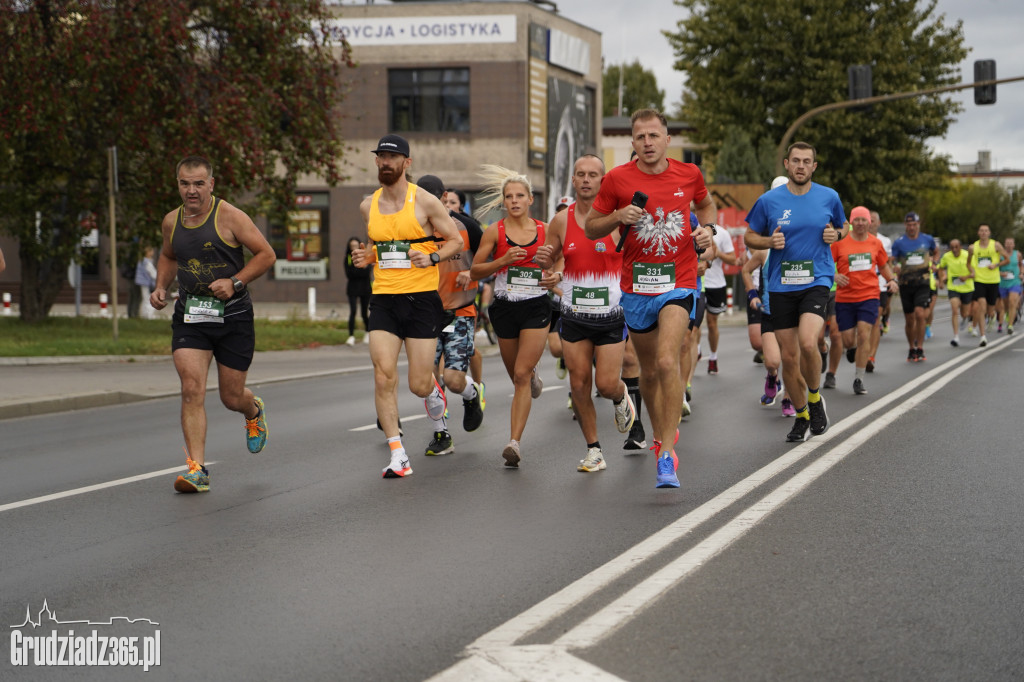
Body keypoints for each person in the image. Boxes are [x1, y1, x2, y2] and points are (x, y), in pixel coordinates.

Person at [585, 108, 715, 489]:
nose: (647, 143)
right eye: (640, 137)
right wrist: (617, 216)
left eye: (654, 136)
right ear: (632, 142)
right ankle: (661, 437)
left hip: (680, 279)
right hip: (637, 287)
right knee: (648, 372)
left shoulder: (689, 174)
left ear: (667, 139)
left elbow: (706, 206)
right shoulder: (617, 179)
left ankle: (666, 455)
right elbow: (592, 225)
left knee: (665, 359)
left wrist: (707, 229)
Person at [150, 155, 276, 493]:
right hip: (191, 315)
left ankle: (252, 411)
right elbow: (169, 255)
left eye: (198, 183)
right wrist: (161, 285)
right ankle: (196, 469)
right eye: (184, 183)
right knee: (191, 389)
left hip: (233, 316)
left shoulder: (231, 217)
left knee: (231, 397)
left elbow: (266, 254)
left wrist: (235, 281)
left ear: (211, 184)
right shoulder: (171, 221)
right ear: (178, 184)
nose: (191, 190)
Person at [350, 134, 464, 479]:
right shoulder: (367, 205)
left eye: (392, 157)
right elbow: (379, 247)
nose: (385, 162)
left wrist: (431, 255)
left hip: (421, 301)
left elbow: (455, 240)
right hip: (383, 298)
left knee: (418, 383)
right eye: (381, 157)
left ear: (406, 163)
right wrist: (365, 256)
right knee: (383, 375)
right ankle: (398, 453)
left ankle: (432, 391)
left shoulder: (425, 202)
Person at [535, 154, 635, 473]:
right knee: (579, 385)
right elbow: (549, 261)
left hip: (610, 314)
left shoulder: (617, 220)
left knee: (605, 385)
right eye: (581, 174)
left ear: (603, 181)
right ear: (574, 181)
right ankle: (594, 450)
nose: (587, 179)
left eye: (594, 174)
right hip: (574, 314)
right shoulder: (561, 221)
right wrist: (548, 270)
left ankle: (621, 397)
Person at [744, 142, 846, 443]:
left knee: (807, 342)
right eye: (796, 161)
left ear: (814, 166)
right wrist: (767, 243)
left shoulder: (829, 196)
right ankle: (801, 414)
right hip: (780, 285)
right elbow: (751, 235)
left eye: (807, 161)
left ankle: (814, 399)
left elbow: (844, 227)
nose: (801, 166)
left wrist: (836, 234)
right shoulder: (769, 201)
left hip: (817, 280)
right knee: (788, 358)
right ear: (787, 164)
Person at [469, 165, 556, 468]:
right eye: (509, 196)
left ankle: (514, 443)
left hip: (535, 305)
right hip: (504, 307)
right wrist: (502, 260)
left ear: (531, 199)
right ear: (504, 202)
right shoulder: (496, 231)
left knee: (519, 375)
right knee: (517, 375)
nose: (515, 200)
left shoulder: (546, 230)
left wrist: (553, 278)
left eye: (520, 195)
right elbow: (475, 270)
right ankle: (531, 376)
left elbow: (562, 267)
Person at [415, 174, 485, 456]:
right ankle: (441, 434)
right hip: (423, 312)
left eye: (432, 198)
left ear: (443, 198)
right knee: (425, 381)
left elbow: (488, 258)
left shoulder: (467, 227)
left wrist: (473, 271)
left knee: (453, 380)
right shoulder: (413, 229)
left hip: (460, 311)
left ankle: (471, 395)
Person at [830, 206, 898, 394]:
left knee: (863, 334)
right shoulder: (840, 243)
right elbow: (825, 263)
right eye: (857, 220)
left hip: (869, 295)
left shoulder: (876, 244)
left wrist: (891, 280)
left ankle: (858, 379)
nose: (860, 223)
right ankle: (851, 348)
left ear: (869, 222)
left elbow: (884, 266)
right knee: (848, 339)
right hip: (844, 298)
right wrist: (834, 276)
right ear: (851, 222)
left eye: (863, 220)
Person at [890, 212, 938, 361]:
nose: (911, 227)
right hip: (906, 283)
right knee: (910, 319)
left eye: (914, 224)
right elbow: (892, 260)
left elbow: (936, 252)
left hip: (923, 281)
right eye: (909, 225)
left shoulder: (927, 239)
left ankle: (921, 348)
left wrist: (935, 263)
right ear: (905, 225)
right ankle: (912, 348)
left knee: (920, 314)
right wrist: (895, 267)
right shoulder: (899, 243)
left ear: (918, 225)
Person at [702, 225, 738, 375]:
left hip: (716, 284)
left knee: (711, 324)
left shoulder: (722, 233)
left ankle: (713, 357)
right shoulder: (691, 226)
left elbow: (733, 259)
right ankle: (696, 349)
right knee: (693, 326)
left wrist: (718, 253)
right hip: (697, 282)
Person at [968, 223, 1009, 348]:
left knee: (990, 309)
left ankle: (992, 316)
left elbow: (1006, 259)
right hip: (979, 280)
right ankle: (983, 336)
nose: (984, 233)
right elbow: (968, 263)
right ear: (978, 233)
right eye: (981, 230)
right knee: (981, 306)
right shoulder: (972, 247)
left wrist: (996, 265)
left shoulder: (996, 245)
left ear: (989, 233)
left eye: (986, 231)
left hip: (993, 280)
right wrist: (972, 271)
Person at [865, 210, 892, 372]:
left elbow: (886, 262)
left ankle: (871, 357)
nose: (871, 223)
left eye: (873, 220)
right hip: (859, 286)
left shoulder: (885, 241)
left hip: (879, 285)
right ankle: (862, 350)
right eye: (869, 220)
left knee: (874, 320)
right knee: (862, 324)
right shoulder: (856, 239)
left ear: (878, 223)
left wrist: (891, 279)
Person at [936, 239, 975, 347]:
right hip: (953, 287)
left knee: (965, 313)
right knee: (954, 309)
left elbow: (974, 272)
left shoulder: (967, 255)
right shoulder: (947, 256)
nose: (954, 249)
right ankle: (956, 337)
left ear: (960, 247)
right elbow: (940, 268)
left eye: (956, 247)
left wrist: (966, 277)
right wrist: (941, 280)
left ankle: (965, 318)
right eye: (952, 247)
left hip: (967, 287)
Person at [344, 236, 372, 345]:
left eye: (355, 245)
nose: (354, 248)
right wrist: (359, 270)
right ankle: (351, 336)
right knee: (353, 311)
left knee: (364, 313)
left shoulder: (365, 256)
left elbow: (366, 272)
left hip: (365, 289)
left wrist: (357, 271)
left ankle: (367, 332)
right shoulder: (348, 258)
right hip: (352, 289)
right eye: (352, 246)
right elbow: (349, 274)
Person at [998, 237, 1021, 334]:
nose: (1009, 245)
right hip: (1003, 283)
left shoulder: (1018, 254)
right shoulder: (1000, 255)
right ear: (1004, 244)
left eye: (1011, 243)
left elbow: (1020, 265)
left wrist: (1022, 273)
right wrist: (1001, 273)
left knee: (1012, 302)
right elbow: (995, 267)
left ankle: (1010, 325)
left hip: (1015, 282)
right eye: (1007, 243)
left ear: (1014, 245)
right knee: (1006, 305)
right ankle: (1008, 313)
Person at [135, 246, 158, 320]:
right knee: (148, 299)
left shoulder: (142, 261)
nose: (153, 253)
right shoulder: (147, 262)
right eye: (151, 251)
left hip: (142, 282)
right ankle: (149, 316)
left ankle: (145, 315)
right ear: (148, 253)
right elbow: (153, 274)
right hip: (147, 283)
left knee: (145, 299)